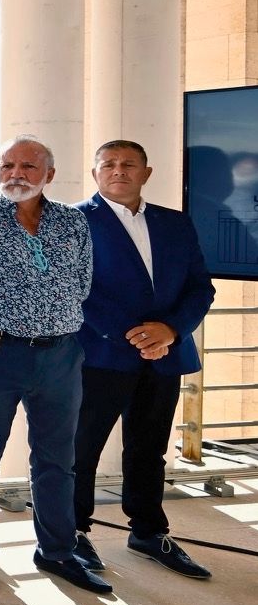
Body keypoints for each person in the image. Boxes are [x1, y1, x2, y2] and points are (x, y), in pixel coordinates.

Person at [0, 136, 107, 594]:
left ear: (49, 175)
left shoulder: (73, 223)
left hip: (60, 355)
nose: (15, 174)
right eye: (7, 165)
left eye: (27, 166)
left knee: (58, 459)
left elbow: (82, 283)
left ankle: (57, 551)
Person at [72, 140, 216, 579]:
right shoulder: (74, 222)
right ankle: (71, 535)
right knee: (82, 449)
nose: (119, 171)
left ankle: (149, 532)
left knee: (149, 450)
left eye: (129, 164)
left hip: (165, 356)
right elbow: (74, 288)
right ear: (96, 172)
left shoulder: (175, 223)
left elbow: (200, 288)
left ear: (146, 173)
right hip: (99, 355)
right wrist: (135, 336)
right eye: (109, 164)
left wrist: (170, 331)